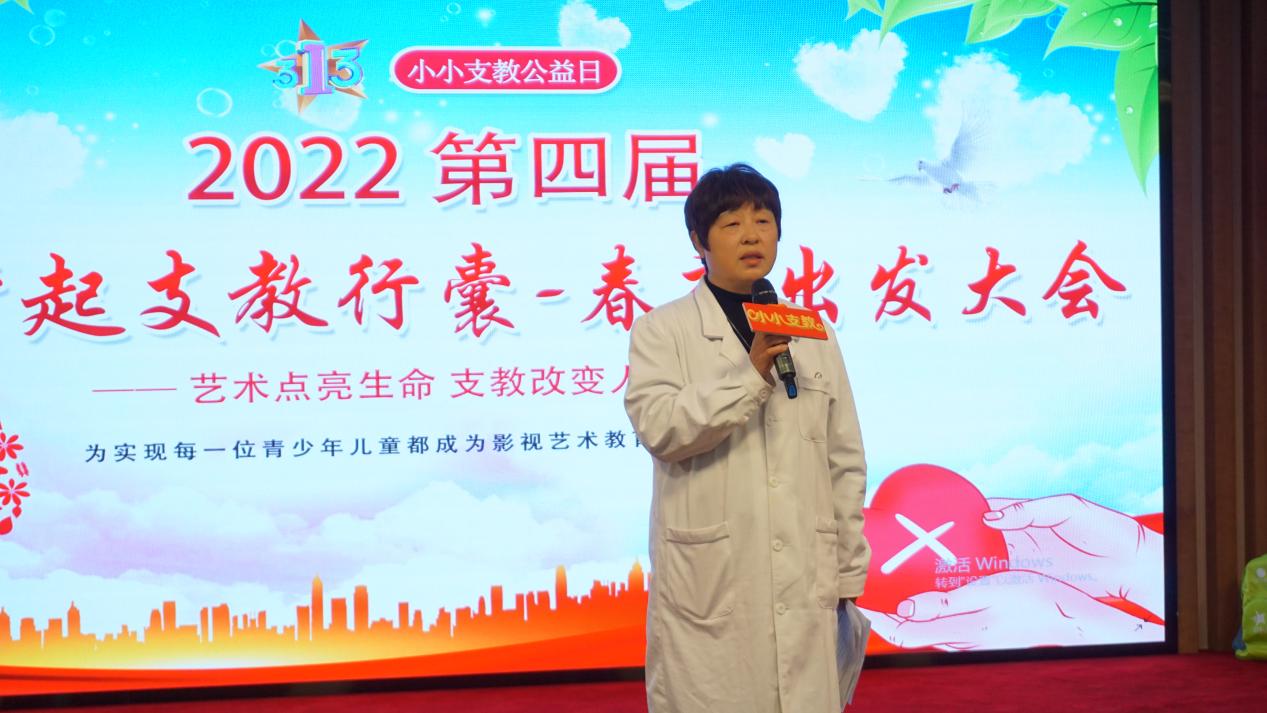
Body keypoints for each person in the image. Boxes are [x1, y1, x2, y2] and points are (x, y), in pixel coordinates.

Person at [624, 163, 870, 713]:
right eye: (732, 224)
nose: (752, 235)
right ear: (699, 241)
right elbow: (660, 428)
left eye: (763, 221)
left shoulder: (810, 330)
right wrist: (750, 376)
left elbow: (843, 457)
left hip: (805, 574)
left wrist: (849, 568)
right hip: (712, 582)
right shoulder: (663, 330)